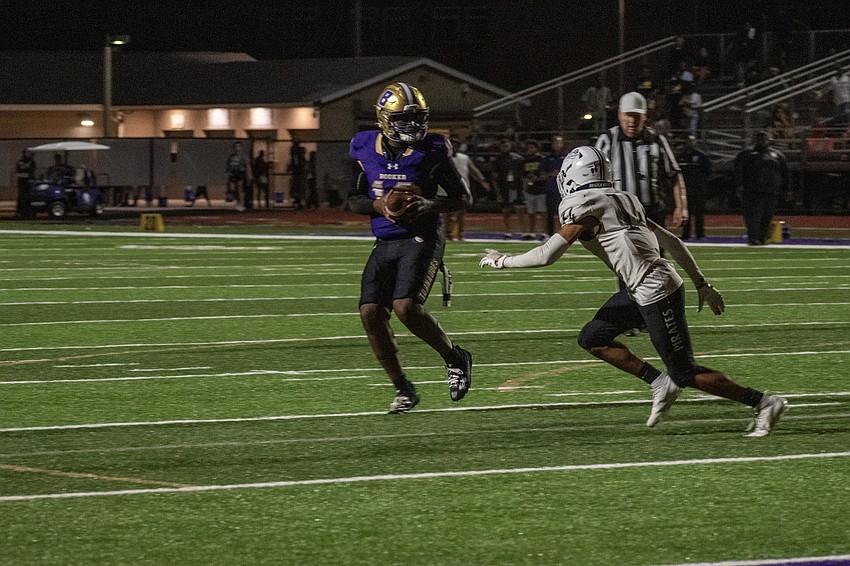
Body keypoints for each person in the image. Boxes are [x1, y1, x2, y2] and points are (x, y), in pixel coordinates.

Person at [479, 146, 788, 437]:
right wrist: (700, 283)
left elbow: (547, 255)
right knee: (592, 338)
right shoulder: (623, 198)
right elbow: (671, 240)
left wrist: (502, 261)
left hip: (656, 291)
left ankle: (764, 402)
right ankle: (659, 383)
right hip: (641, 287)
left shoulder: (585, 207)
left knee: (684, 372)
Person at [347, 81, 473, 413]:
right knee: (370, 312)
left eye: (418, 118)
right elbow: (354, 199)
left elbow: (463, 198)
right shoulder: (364, 147)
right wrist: (379, 206)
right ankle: (403, 388)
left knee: (405, 307)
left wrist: (429, 204)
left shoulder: (432, 149)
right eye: (404, 119)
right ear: (384, 119)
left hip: (423, 237)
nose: (413, 125)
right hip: (386, 238)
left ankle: (455, 358)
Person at [734, 131, 788, 246]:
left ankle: (763, 238)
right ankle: (753, 238)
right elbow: (738, 171)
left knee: (767, 217)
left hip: (771, 192)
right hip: (752, 191)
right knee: (753, 217)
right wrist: (739, 185)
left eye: (764, 138)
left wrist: (787, 189)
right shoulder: (746, 154)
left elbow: (785, 173)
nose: (762, 141)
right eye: (760, 138)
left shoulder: (777, 155)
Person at [448, 137, 490, 240]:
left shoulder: (464, 158)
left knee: (461, 212)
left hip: (463, 188)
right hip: (448, 187)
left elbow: (473, 170)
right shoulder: (444, 158)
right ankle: (448, 232)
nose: (454, 147)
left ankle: (460, 232)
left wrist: (482, 181)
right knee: (449, 212)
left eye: (456, 145)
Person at [677, 135, 712, 240]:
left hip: (698, 189)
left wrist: (700, 181)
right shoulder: (681, 157)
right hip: (685, 190)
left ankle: (700, 234)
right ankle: (686, 234)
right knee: (686, 213)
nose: (690, 143)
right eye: (688, 141)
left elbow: (708, 170)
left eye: (691, 141)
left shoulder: (701, 156)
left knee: (699, 213)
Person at [491, 138, 527, 239]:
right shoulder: (498, 160)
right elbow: (494, 177)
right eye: (503, 146)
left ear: (511, 146)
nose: (505, 148)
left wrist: (524, 189)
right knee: (506, 211)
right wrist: (498, 193)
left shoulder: (518, 159)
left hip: (515, 187)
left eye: (506, 146)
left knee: (520, 209)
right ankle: (507, 232)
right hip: (504, 187)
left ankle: (524, 231)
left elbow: (523, 176)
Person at [540, 134, 568, 235]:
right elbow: (542, 174)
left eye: (559, 143)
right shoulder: (547, 158)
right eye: (555, 143)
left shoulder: (567, 157)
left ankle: (565, 233)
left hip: (564, 190)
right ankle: (550, 234)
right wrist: (551, 174)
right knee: (550, 213)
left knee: (565, 213)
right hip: (551, 189)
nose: (557, 145)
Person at [522, 139, 548, 239]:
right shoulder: (525, 160)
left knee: (543, 212)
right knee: (530, 213)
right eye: (528, 148)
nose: (530, 149)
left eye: (532, 147)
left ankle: (544, 232)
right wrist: (526, 182)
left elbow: (545, 174)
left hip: (541, 188)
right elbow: (523, 175)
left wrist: (536, 178)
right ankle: (531, 232)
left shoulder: (542, 159)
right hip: (529, 190)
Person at [827, 63, 850, 130]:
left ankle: (847, 129)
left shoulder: (847, 79)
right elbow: (831, 89)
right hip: (837, 100)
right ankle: (840, 129)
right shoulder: (833, 79)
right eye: (837, 69)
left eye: (840, 69)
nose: (839, 71)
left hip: (846, 99)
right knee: (838, 116)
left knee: (846, 114)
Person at [15, 149, 36, 218]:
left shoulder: (31, 161)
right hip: (21, 181)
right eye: (23, 153)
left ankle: (28, 211)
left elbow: (32, 170)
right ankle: (19, 211)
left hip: (28, 181)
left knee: (28, 197)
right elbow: (20, 169)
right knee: (21, 196)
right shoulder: (20, 162)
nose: (24, 155)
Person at [288, 138, 306, 209]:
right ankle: (297, 202)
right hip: (297, 171)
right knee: (297, 187)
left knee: (297, 187)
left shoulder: (295, 152)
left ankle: (297, 201)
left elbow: (296, 161)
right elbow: (296, 162)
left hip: (297, 171)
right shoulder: (296, 152)